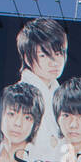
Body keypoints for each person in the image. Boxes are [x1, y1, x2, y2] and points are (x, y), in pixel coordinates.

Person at [14, 17, 68, 151]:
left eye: (58, 53)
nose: (54, 62)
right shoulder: (17, 96)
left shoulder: (61, 94)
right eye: (44, 55)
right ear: (27, 58)